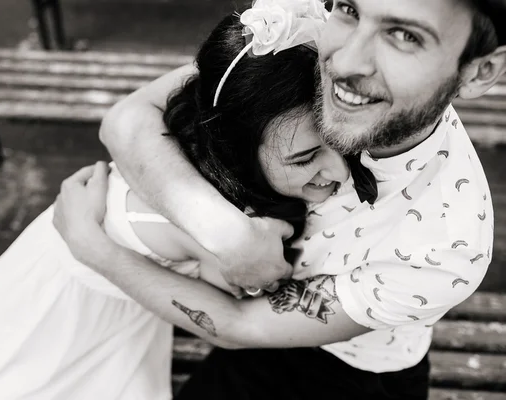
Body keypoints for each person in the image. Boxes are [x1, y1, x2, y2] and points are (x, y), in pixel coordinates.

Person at [54, 0, 506, 399]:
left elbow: (240, 324)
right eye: (349, 7)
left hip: (348, 370)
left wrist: (93, 249)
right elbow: (127, 119)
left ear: (480, 71)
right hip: (239, 330)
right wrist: (227, 234)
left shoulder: (447, 246)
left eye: (404, 35)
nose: (344, 61)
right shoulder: (305, 33)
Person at [0, 5, 347, 400]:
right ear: (239, 145)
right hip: (71, 313)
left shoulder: (198, 142)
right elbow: (230, 317)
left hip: (45, 275)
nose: (343, 171)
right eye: (306, 156)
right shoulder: (232, 225)